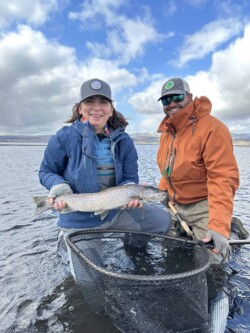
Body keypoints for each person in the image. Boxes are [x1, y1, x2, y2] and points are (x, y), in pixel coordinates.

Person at [39, 78, 172, 273]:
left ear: (111, 109)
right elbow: (46, 172)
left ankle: (134, 244)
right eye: (90, 102)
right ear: (80, 108)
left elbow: (130, 176)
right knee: (89, 278)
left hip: (116, 210)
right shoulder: (63, 137)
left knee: (164, 221)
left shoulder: (124, 140)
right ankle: (66, 239)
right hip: (80, 218)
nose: (97, 108)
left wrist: (129, 188)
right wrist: (58, 187)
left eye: (103, 102)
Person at [157, 77, 248, 265]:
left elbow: (223, 178)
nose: (171, 104)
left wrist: (218, 226)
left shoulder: (213, 128)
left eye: (177, 97)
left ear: (190, 97)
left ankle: (231, 228)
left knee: (212, 258)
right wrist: (160, 195)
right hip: (174, 205)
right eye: (166, 100)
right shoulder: (167, 133)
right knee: (168, 248)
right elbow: (167, 174)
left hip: (203, 204)